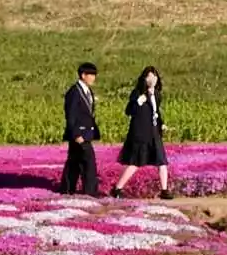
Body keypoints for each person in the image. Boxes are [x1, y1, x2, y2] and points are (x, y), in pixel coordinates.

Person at [111, 66, 172, 199]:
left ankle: (164, 190)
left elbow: (156, 113)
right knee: (136, 162)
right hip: (141, 133)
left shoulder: (156, 94)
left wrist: (162, 124)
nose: (152, 79)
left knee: (162, 162)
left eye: (154, 77)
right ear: (144, 79)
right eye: (149, 77)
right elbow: (129, 111)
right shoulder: (137, 93)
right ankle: (117, 188)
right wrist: (138, 101)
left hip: (154, 132)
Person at [60, 61, 100, 195]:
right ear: (83, 75)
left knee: (74, 162)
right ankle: (90, 192)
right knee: (89, 162)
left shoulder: (88, 91)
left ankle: (67, 188)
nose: (93, 77)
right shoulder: (74, 92)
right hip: (79, 134)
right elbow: (70, 114)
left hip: (87, 133)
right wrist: (76, 134)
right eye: (91, 74)